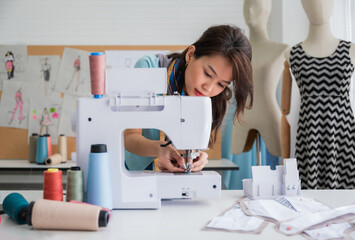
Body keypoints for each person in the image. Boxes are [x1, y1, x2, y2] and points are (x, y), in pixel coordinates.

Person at [124, 25, 254, 173]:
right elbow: (129, 137)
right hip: (133, 173)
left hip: (170, 175)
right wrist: (160, 150)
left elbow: (190, 143)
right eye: (207, 74)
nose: (209, 88)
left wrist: (198, 156)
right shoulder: (148, 68)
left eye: (221, 84)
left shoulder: (207, 96)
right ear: (191, 54)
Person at [282, 0, 355, 189]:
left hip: (342, 133)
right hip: (310, 133)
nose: (320, 5)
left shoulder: (351, 49)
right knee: (310, 198)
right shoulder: (292, 53)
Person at [231, 0, 289, 159]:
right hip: (242, 116)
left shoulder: (282, 49)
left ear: (267, 9)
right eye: (246, 6)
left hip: (269, 115)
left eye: (255, 5)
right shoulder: (237, 51)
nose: (250, 11)